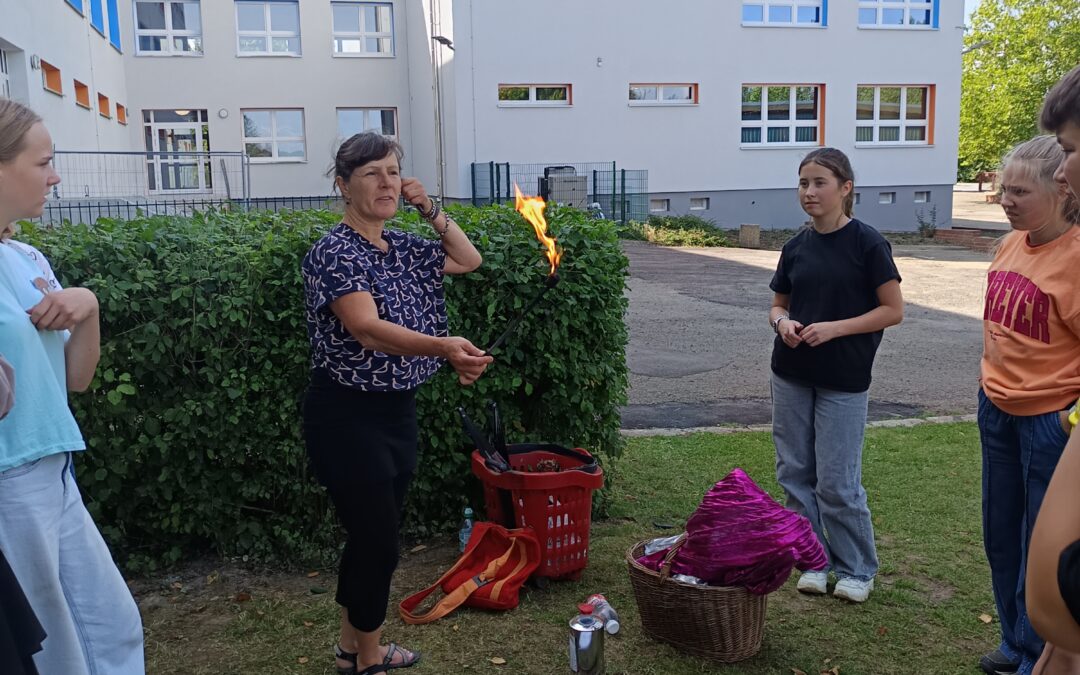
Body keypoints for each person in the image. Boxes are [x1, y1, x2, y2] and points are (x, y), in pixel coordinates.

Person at [302, 132, 492, 675]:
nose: (385, 182)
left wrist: (428, 208)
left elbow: (469, 258)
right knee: (378, 544)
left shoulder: (404, 247)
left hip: (395, 412)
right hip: (345, 415)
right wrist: (445, 348)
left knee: (371, 541)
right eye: (370, 174)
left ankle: (349, 650)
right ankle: (368, 658)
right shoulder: (333, 251)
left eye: (392, 171)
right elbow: (365, 329)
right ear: (343, 186)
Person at [0, 98, 144, 673]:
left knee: (112, 629)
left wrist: (89, 307)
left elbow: (75, 379)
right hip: (9, 482)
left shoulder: (25, 254)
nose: (55, 175)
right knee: (53, 647)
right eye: (43, 162)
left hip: (54, 466)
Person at [767, 147, 904, 604]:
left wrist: (835, 329)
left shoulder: (868, 244)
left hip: (844, 378)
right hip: (790, 372)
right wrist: (781, 324)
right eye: (803, 183)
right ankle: (813, 560)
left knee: (837, 480)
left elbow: (892, 310)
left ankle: (856, 569)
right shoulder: (795, 247)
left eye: (820, 183)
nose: (809, 192)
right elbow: (779, 303)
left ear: (845, 188)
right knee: (794, 472)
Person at [976, 133, 1080, 675]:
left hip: (1050, 421)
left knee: (1040, 547)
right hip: (996, 408)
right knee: (1001, 533)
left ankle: (1037, 654)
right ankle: (1014, 644)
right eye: (1002, 189)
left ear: (1062, 193)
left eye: (1019, 192)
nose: (1005, 201)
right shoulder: (1012, 241)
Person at [1024, 64, 1080, 675]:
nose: (1061, 170)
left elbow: (1059, 599)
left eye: (1068, 149)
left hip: (1049, 415)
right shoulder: (1013, 246)